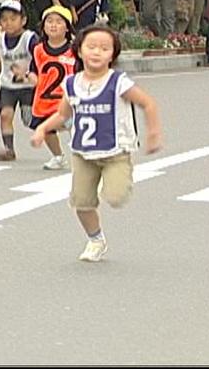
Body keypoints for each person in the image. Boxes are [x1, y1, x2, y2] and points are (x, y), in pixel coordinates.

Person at [30, 24, 162, 262]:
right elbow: (63, 115)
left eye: (104, 48)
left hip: (115, 151)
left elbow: (148, 103)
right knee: (81, 202)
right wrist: (42, 128)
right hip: (83, 152)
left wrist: (153, 132)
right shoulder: (71, 84)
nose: (97, 52)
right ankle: (95, 239)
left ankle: (118, 179)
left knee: (115, 197)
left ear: (113, 54)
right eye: (91, 47)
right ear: (79, 51)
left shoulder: (118, 82)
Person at [0, 0, 39, 161]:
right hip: (8, 85)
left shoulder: (29, 39)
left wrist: (35, 74)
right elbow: (0, 58)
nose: (8, 23)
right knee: (5, 114)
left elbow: (40, 57)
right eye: (4, 19)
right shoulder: (0, 39)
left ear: (23, 20)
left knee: (29, 120)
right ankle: (9, 149)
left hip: (28, 85)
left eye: (13, 19)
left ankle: (54, 129)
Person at [28, 5, 77, 170]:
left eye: (58, 22)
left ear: (67, 28)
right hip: (44, 99)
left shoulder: (74, 51)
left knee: (75, 126)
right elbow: (35, 70)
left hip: (67, 100)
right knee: (46, 129)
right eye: (49, 21)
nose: (53, 25)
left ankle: (82, 157)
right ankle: (58, 156)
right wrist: (30, 77)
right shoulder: (38, 50)